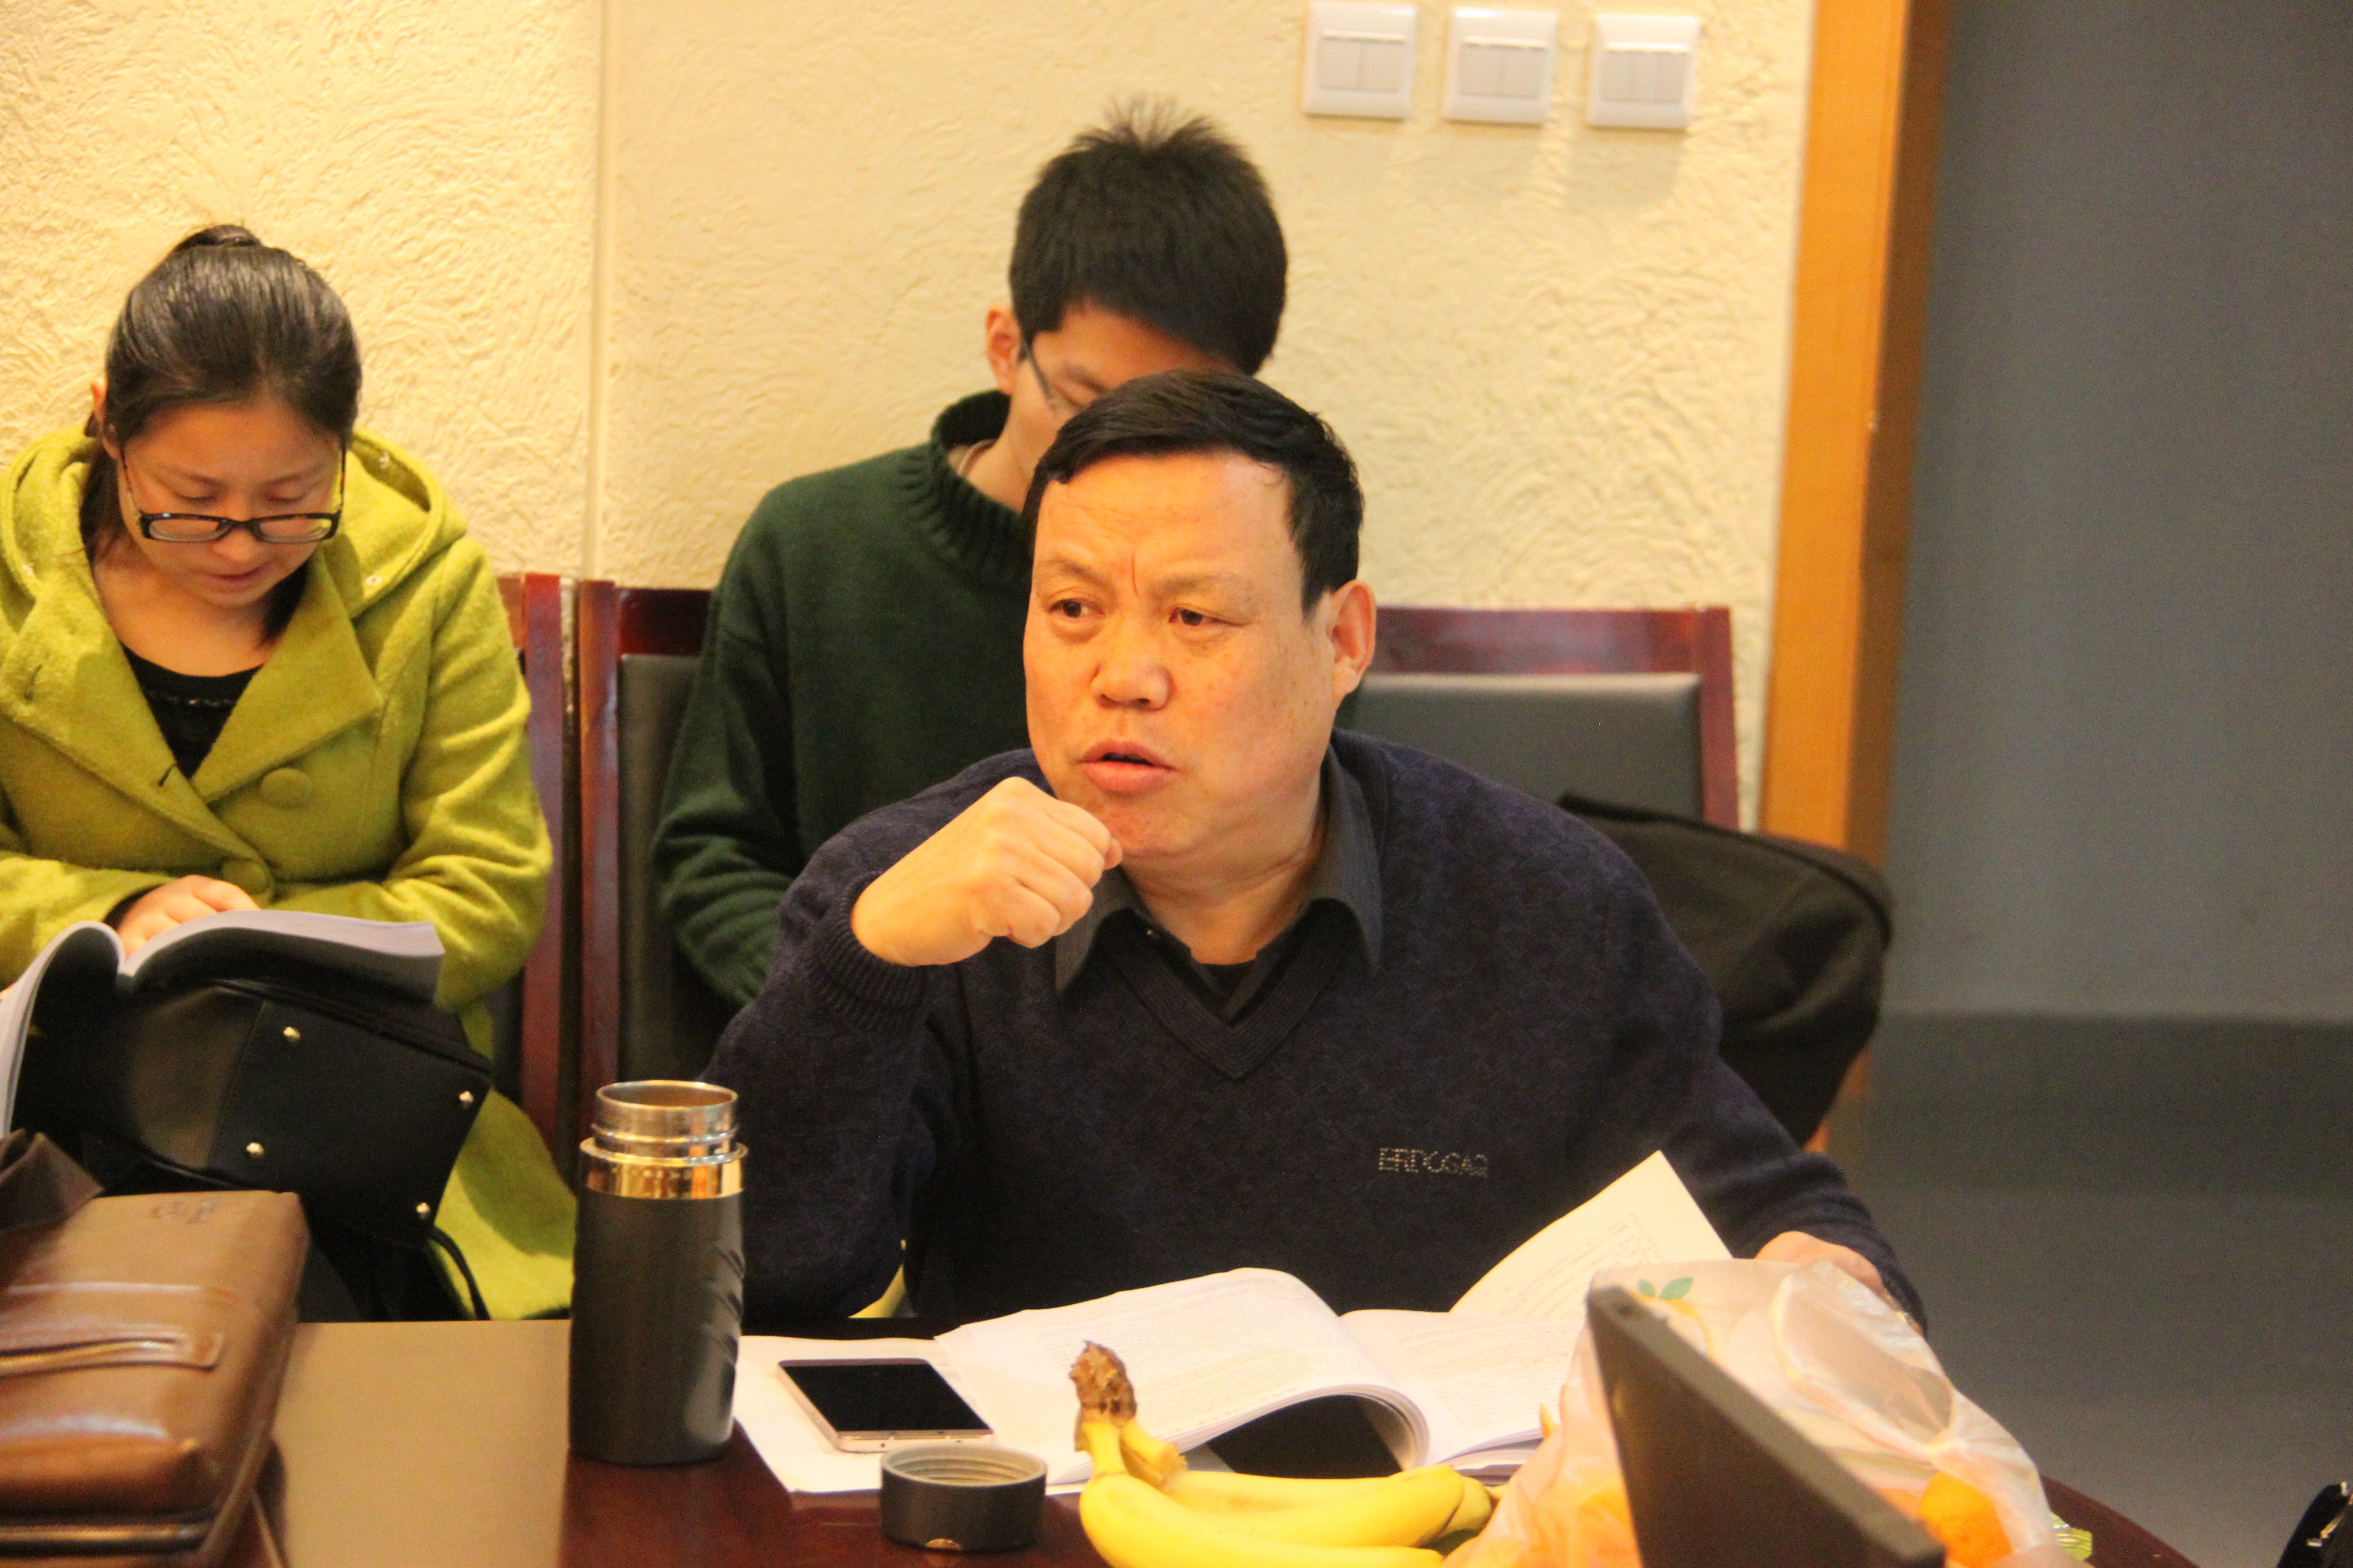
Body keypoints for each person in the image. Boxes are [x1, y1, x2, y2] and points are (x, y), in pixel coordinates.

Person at [708, 370, 1920, 1324]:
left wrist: (1825, 1282)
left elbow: (1778, 1224)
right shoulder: (911, 895)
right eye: (1071, 609)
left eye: (1195, 616)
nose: (1122, 676)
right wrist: (867, 963)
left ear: (1342, 640)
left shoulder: (1544, 906)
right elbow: (763, 1283)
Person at [0, 226, 571, 1319]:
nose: (238, 544)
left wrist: (255, 942)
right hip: (55, 1113)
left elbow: (491, 888)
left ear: (344, 449)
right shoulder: (11, 573)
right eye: (191, 499)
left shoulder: (422, 579)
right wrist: (115, 911)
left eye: (292, 500)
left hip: (357, 1114)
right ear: (108, 424)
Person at [655, 104, 1289, 1011]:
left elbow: (1283, 862)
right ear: (1005, 348)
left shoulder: (1272, 591)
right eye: (1087, 403)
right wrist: (850, 997)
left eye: (1182, 422)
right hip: (867, 1033)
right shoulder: (814, 546)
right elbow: (713, 858)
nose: (1125, 455)